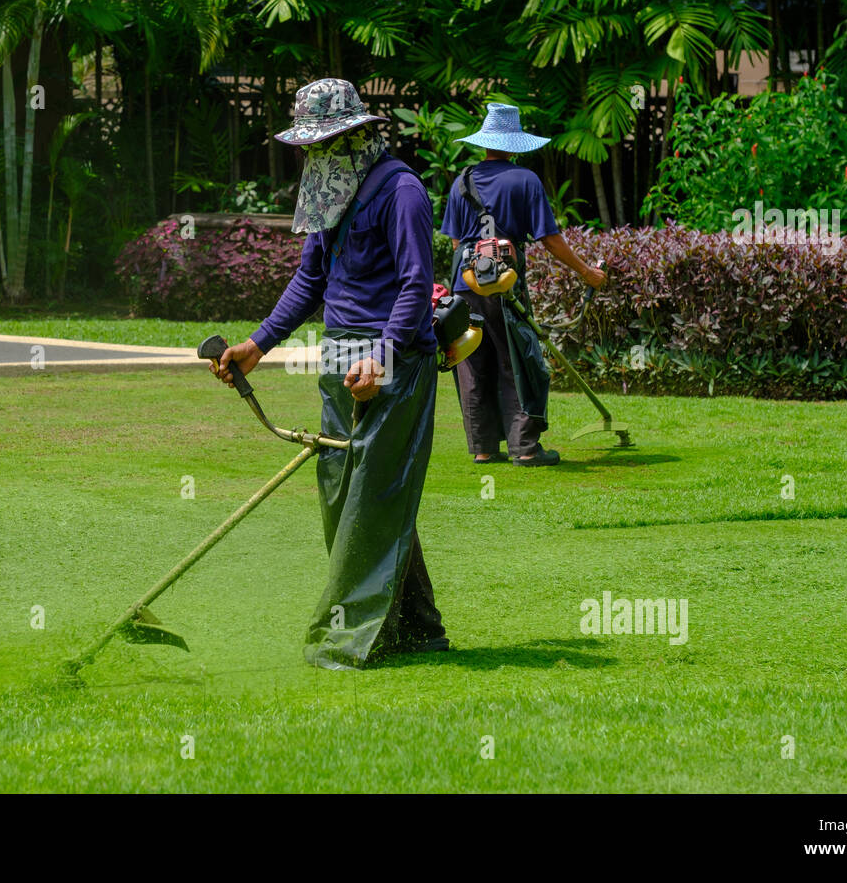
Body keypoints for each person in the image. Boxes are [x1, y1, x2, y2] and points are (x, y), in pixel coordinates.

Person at [211, 78, 448, 669]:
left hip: (393, 363)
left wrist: (383, 357)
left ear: (355, 135)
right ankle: (418, 628)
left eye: (322, 144)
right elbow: (310, 280)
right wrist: (257, 344)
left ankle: (344, 640)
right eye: (308, 146)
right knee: (348, 498)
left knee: (373, 496)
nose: (311, 157)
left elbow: (417, 285)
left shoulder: (402, 192)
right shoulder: (331, 194)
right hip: (340, 358)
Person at [442, 102, 606, 467]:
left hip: (463, 285)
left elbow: (455, 243)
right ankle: (526, 448)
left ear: (484, 142)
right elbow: (550, 239)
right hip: (504, 284)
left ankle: (484, 448)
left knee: (472, 361)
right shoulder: (525, 180)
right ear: (515, 144)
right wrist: (587, 272)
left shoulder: (462, 179)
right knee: (516, 358)